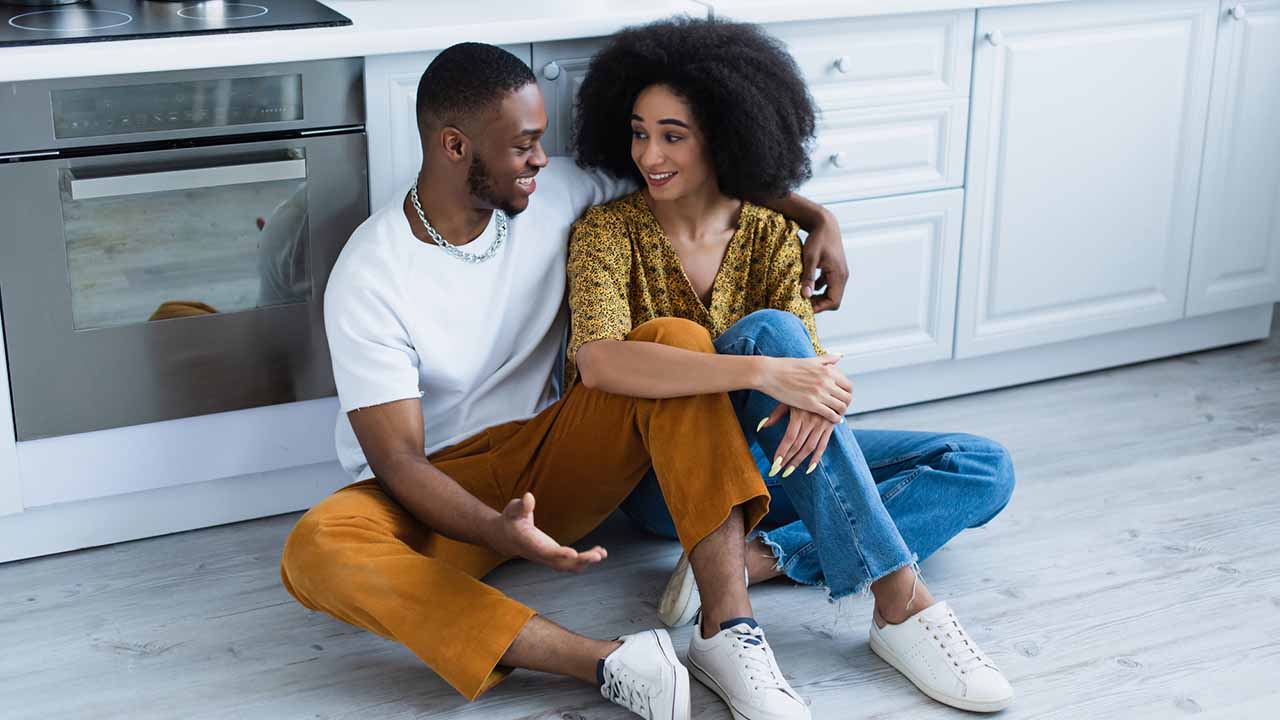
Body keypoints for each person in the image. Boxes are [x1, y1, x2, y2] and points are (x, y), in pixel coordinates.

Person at [277, 42, 849, 720]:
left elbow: (694, 171)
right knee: (315, 548)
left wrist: (817, 217)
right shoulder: (371, 275)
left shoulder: (553, 193)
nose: (542, 160)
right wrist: (496, 530)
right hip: (433, 490)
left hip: (552, 458)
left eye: (541, 141)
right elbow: (398, 461)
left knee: (673, 341)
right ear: (456, 147)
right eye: (523, 145)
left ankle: (729, 630)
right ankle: (608, 662)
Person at [568, 17, 1017, 715]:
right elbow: (598, 362)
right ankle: (899, 600)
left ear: (723, 134)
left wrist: (812, 387)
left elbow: (804, 375)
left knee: (984, 467)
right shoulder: (608, 232)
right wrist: (766, 375)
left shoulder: (772, 232)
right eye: (638, 131)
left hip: (774, 459)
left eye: (672, 135)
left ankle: (761, 557)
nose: (648, 153)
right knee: (770, 335)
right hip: (668, 480)